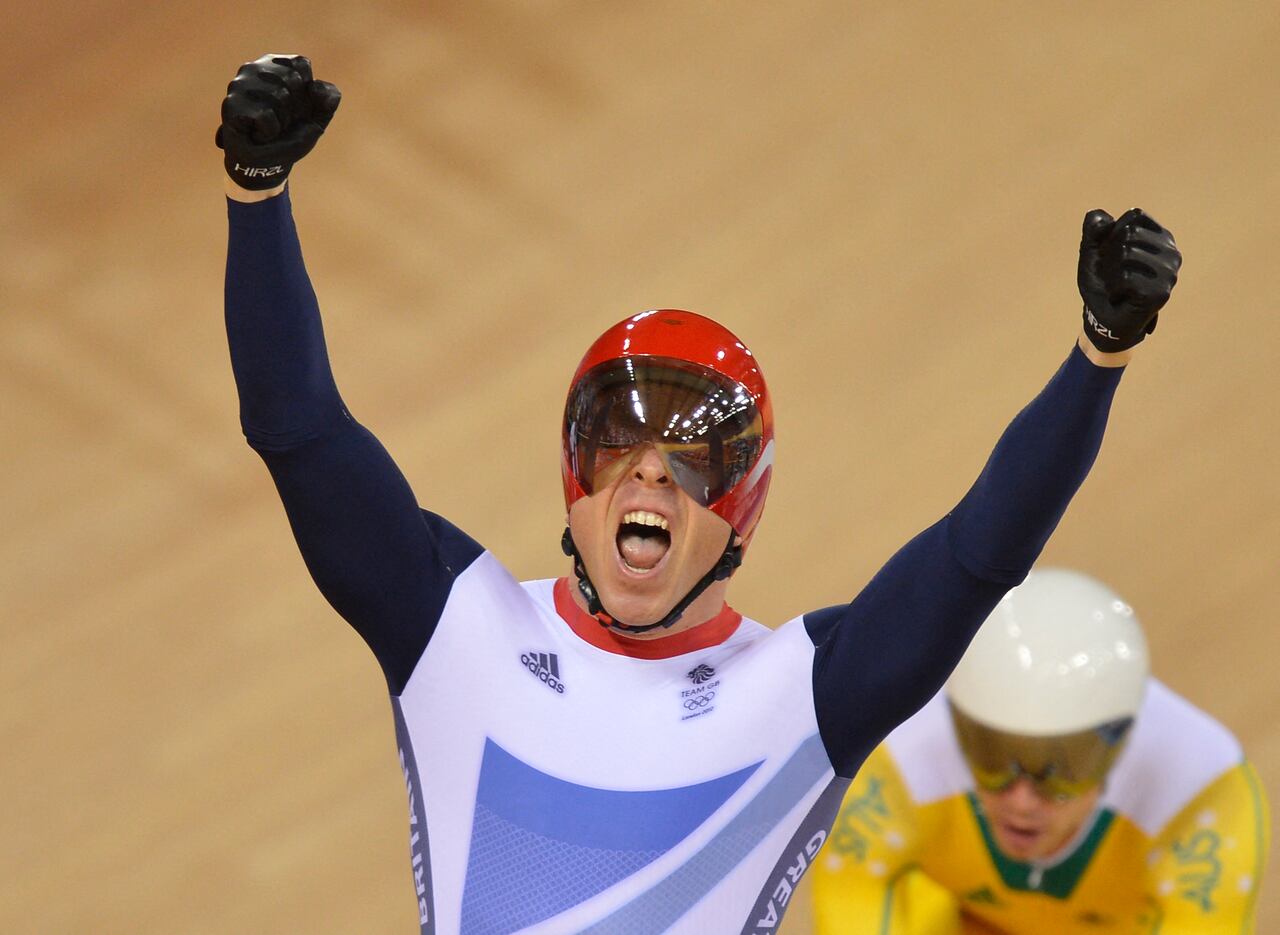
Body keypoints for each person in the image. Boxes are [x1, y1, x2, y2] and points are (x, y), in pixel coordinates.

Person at [217, 54, 1183, 934]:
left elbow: (979, 556)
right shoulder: (453, 622)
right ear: (574, 484)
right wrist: (256, 196)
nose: (648, 474)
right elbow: (296, 427)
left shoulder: (804, 695)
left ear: (740, 513)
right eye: (618, 449)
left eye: (690, 462)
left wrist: (1099, 356)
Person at [810, 568, 1271, 934]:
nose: (1022, 802)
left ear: (1116, 747)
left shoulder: (1202, 794)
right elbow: (853, 899)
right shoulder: (899, 763)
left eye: (1062, 768)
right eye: (991, 755)